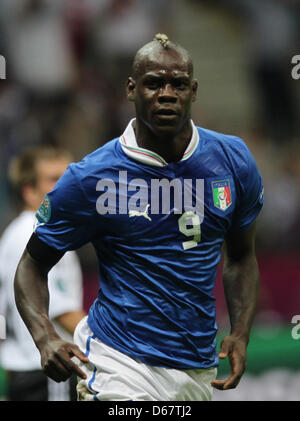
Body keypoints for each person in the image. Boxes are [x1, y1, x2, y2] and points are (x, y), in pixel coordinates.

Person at [14, 34, 264, 401]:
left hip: (196, 365)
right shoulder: (92, 177)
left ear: (193, 91)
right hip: (120, 362)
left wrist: (241, 331)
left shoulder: (233, 161)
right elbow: (30, 266)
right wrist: (44, 335)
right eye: (153, 83)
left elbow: (241, 258)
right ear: (131, 89)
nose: (166, 93)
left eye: (177, 84)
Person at [0, 146, 86, 401]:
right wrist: (111, 346)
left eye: (68, 176)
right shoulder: (34, 234)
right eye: (53, 179)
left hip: (27, 369)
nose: (65, 185)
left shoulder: (15, 233)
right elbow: (62, 311)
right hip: (48, 371)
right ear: (28, 191)